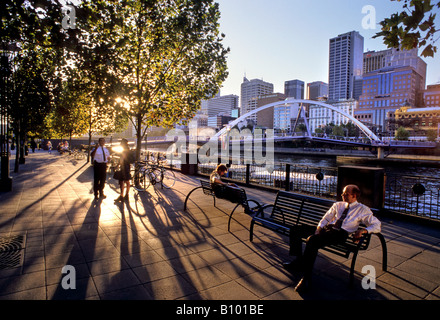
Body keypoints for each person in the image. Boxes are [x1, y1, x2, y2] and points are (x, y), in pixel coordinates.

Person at [283, 184, 381, 293]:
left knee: (312, 241)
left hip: (339, 234)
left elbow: (377, 225)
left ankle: (306, 278)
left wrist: (363, 231)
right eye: (343, 193)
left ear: (354, 195)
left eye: (345, 194)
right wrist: (318, 229)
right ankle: (299, 261)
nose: (342, 195)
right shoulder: (338, 205)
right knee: (296, 229)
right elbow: (326, 218)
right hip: (326, 229)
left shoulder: (362, 209)